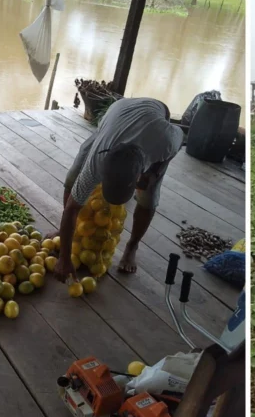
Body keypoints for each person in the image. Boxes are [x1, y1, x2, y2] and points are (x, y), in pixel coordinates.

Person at [54, 97, 183, 280]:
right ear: (103, 174)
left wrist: (154, 172)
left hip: (156, 114)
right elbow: (72, 208)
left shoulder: (165, 142)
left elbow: (180, 139)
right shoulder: (96, 162)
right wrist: (64, 258)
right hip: (117, 114)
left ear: (138, 176)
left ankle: (132, 246)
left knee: (149, 198)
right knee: (73, 176)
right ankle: (64, 232)